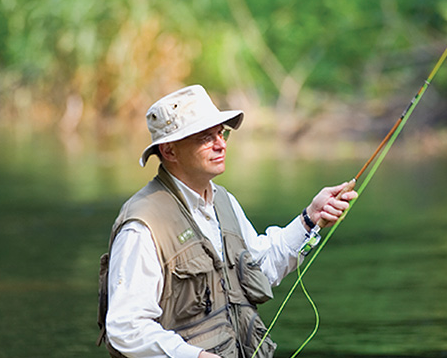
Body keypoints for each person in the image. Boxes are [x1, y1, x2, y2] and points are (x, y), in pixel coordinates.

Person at [97, 84, 357, 358]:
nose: (220, 144)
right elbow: (125, 327)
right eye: (205, 137)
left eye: (221, 133)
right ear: (170, 152)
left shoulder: (224, 201)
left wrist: (309, 219)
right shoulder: (142, 226)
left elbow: (261, 267)